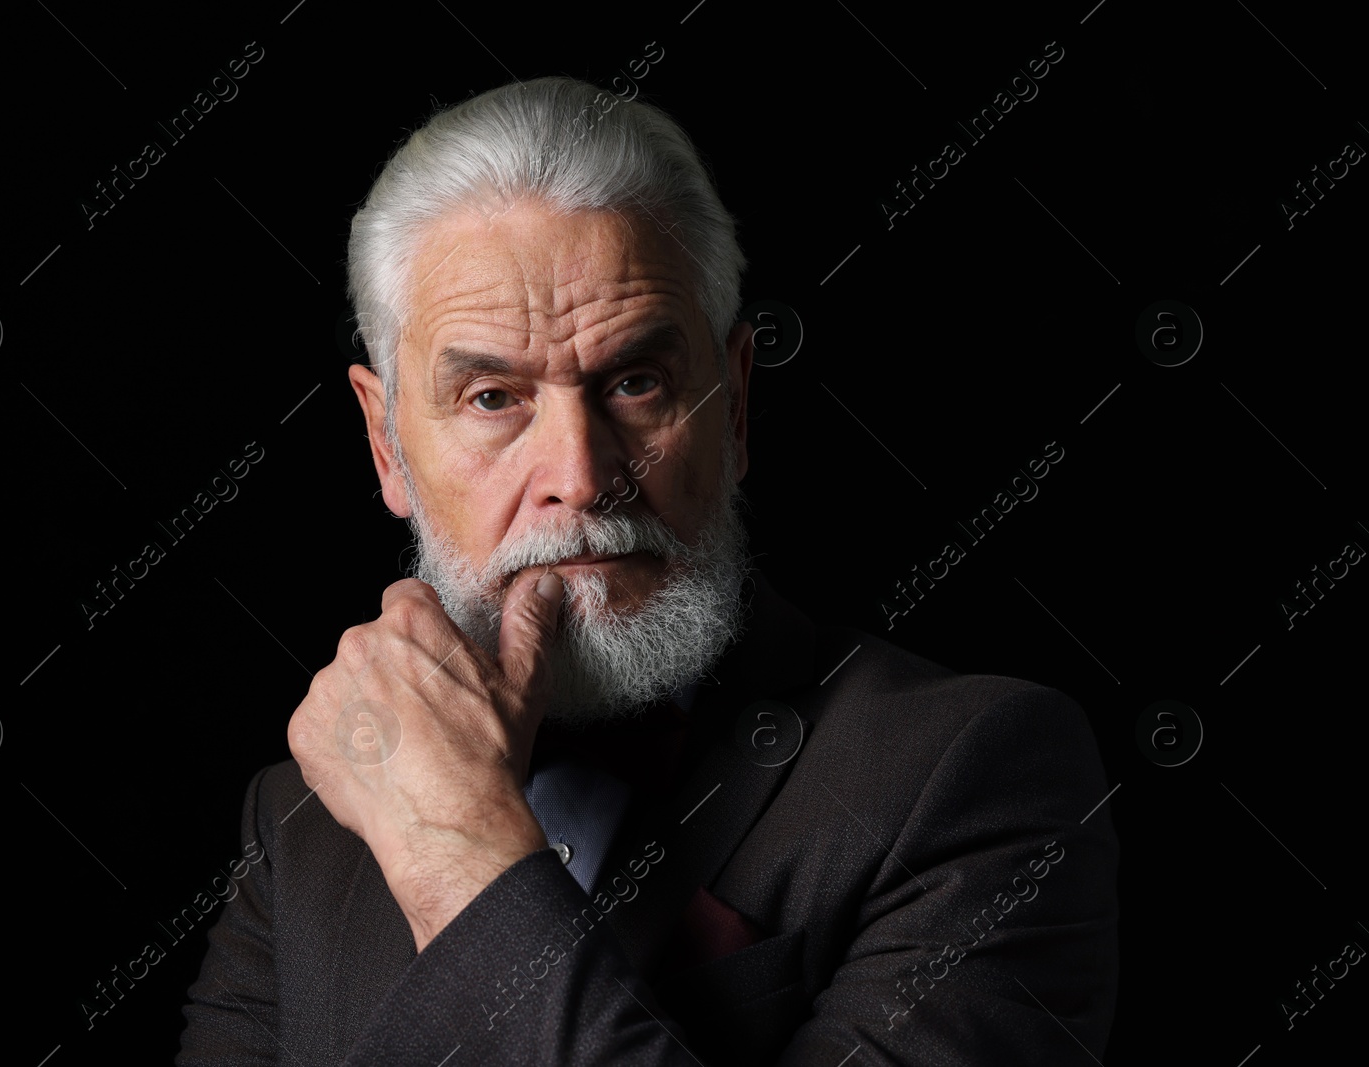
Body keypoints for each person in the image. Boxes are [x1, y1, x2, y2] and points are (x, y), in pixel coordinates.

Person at [176, 75, 1118, 1065]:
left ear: (736, 405)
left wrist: (456, 852)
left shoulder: (974, 771)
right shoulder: (301, 819)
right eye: (493, 395)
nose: (579, 478)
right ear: (385, 445)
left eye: (635, 382)